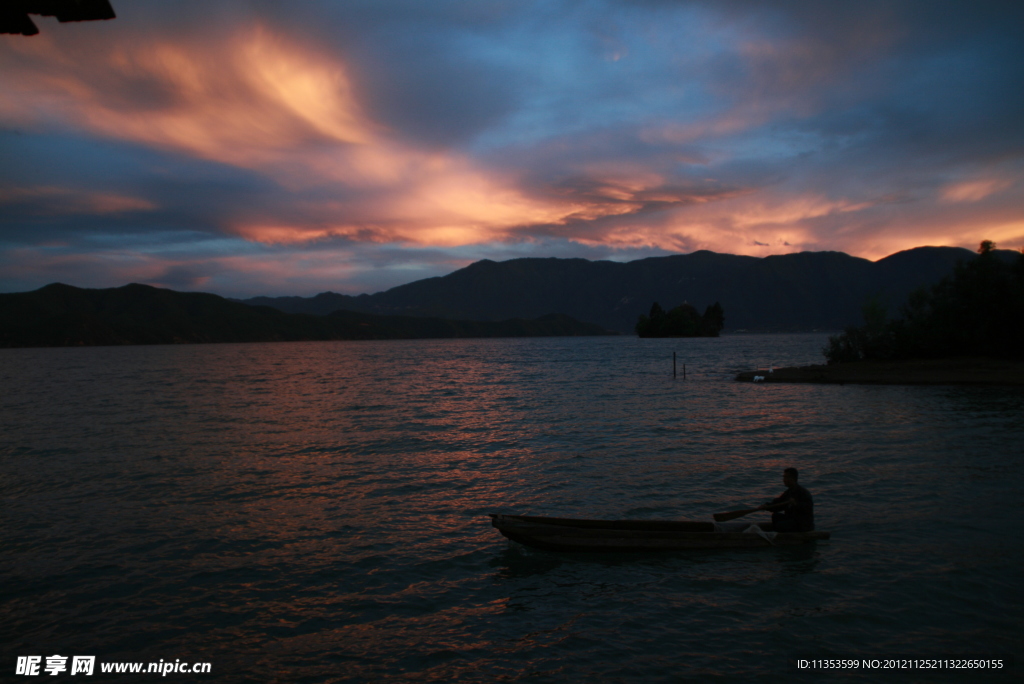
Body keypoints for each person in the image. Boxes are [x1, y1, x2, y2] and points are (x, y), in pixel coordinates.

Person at [758, 467, 814, 532]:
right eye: (784, 477)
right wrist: (766, 506)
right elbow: (778, 504)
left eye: (786, 477)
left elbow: (807, 508)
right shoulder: (788, 492)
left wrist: (796, 504)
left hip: (802, 524)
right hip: (792, 520)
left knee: (780, 525)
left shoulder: (803, 493)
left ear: (792, 478)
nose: (783, 480)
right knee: (775, 516)